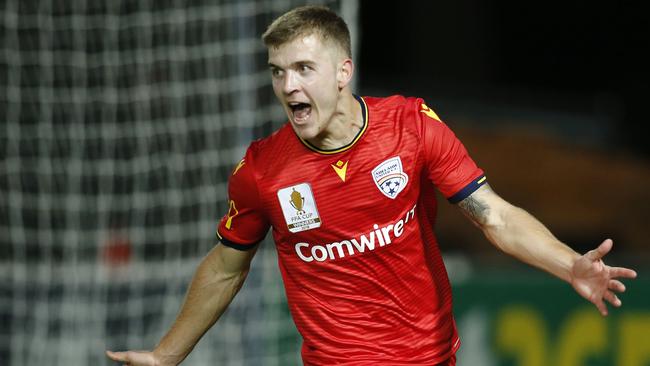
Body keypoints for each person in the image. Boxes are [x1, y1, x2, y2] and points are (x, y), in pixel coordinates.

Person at [106, 5, 637, 366]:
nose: (288, 86)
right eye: (277, 72)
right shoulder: (262, 171)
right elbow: (225, 268)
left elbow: (493, 215)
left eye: (303, 69)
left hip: (429, 356)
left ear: (343, 72)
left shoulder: (411, 126)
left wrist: (570, 265)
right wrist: (166, 355)